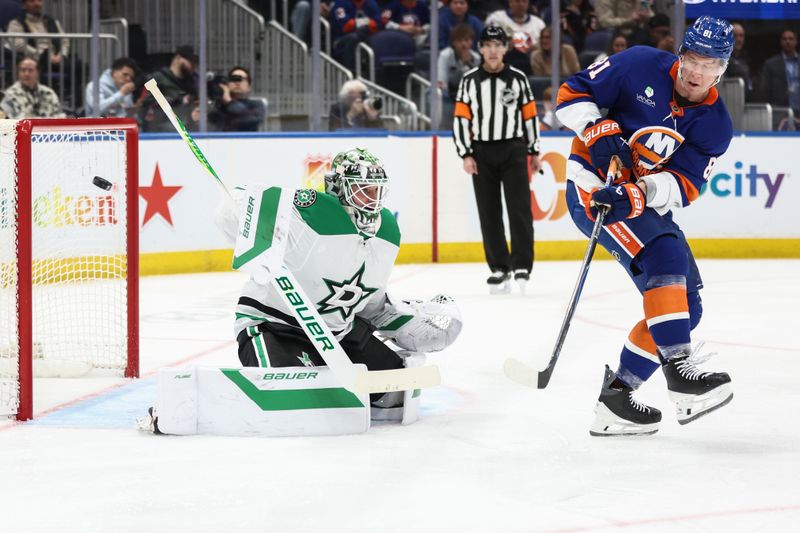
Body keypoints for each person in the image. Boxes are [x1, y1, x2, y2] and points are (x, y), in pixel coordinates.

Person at [141, 148, 462, 436]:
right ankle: (186, 405)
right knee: (296, 396)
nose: (372, 200)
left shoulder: (387, 233)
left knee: (393, 390)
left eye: (377, 191)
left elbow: (370, 303)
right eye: (363, 191)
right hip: (275, 326)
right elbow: (231, 211)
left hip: (337, 332)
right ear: (339, 188)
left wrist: (413, 325)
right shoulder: (309, 216)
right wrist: (246, 215)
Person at [555, 16, 736, 436]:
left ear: (722, 69)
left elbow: (684, 183)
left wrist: (636, 195)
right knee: (665, 252)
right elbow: (570, 93)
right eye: (692, 60)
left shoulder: (715, 125)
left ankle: (618, 398)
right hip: (592, 192)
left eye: (709, 65)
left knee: (687, 305)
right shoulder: (637, 64)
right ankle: (681, 375)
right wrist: (599, 132)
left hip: (631, 201)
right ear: (680, 54)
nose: (697, 73)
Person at [452, 25, 542, 295]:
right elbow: (460, 119)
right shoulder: (469, 80)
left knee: (520, 210)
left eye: (497, 45)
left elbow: (530, 116)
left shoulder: (518, 79)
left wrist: (534, 150)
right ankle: (499, 267)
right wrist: (465, 153)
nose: (492, 50)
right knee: (488, 212)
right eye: (487, 45)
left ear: (505, 48)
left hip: (514, 149)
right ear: (480, 48)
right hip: (481, 152)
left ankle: (522, 265)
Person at [138, 45, 198, 132]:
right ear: (178, 58)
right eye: (190, 61)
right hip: (162, 127)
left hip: (187, 128)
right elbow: (145, 104)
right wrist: (176, 100)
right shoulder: (157, 78)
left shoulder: (192, 81)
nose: (193, 65)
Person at [485, 0, 546, 75]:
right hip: (503, 63)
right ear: (510, 2)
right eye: (517, 1)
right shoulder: (496, 18)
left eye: (524, 1)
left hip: (532, 65)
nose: (521, 4)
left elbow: (542, 47)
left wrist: (514, 40)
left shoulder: (538, 23)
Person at [438, 23, 480, 127]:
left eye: (466, 40)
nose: (463, 44)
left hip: (465, 92)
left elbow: (475, 82)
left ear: (471, 42)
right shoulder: (445, 55)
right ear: (453, 43)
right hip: (448, 92)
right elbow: (441, 80)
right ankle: (446, 130)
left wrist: (466, 65)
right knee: (442, 96)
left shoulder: (476, 58)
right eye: (459, 41)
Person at [7, 0, 69, 68]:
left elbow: (65, 41)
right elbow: (19, 45)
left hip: (57, 58)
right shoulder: (16, 23)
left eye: (39, 0)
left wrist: (61, 55)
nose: (37, 3)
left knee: (78, 65)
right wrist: (42, 55)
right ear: (24, 5)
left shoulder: (52, 21)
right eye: (32, 1)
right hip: (33, 60)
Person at [0, 56, 65, 118]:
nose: (26, 74)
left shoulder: (49, 93)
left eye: (30, 70)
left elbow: (59, 116)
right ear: (18, 73)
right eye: (23, 70)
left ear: (38, 72)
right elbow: (6, 121)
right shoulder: (9, 95)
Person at [208, 66, 266, 132]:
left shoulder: (257, 104)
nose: (237, 83)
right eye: (233, 79)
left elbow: (252, 120)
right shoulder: (218, 105)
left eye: (242, 79)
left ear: (249, 87)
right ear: (227, 83)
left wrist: (229, 101)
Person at [330, 0, 382, 72]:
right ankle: (352, 73)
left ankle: (376, 73)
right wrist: (367, 22)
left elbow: (377, 26)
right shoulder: (340, 4)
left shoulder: (371, 3)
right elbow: (345, 27)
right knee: (353, 38)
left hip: (366, 39)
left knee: (380, 39)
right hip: (341, 40)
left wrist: (355, 22)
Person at [761, 29, 799, 117]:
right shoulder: (771, 64)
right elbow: (766, 91)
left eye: (791, 39)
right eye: (784, 39)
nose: (787, 41)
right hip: (780, 111)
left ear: (796, 41)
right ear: (781, 42)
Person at [723, 22, 753, 101]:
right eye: (735, 36)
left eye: (741, 36)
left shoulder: (745, 59)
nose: (739, 39)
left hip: (745, 103)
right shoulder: (722, 59)